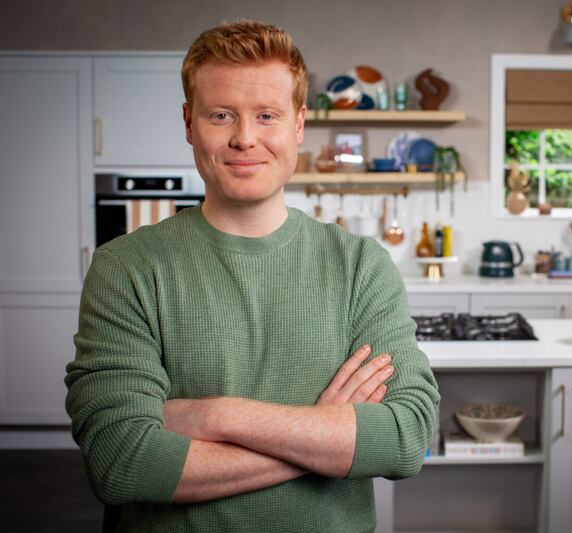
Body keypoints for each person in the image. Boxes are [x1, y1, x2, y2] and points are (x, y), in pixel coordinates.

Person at [65, 19, 439, 533]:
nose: (245, 138)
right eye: (222, 115)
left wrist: (214, 417)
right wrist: (321, 433)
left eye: (267, 115)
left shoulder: (361, 267)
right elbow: (121, 463)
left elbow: (407, 439)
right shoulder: (125, 269)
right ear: (189, 123)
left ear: (299, 124)